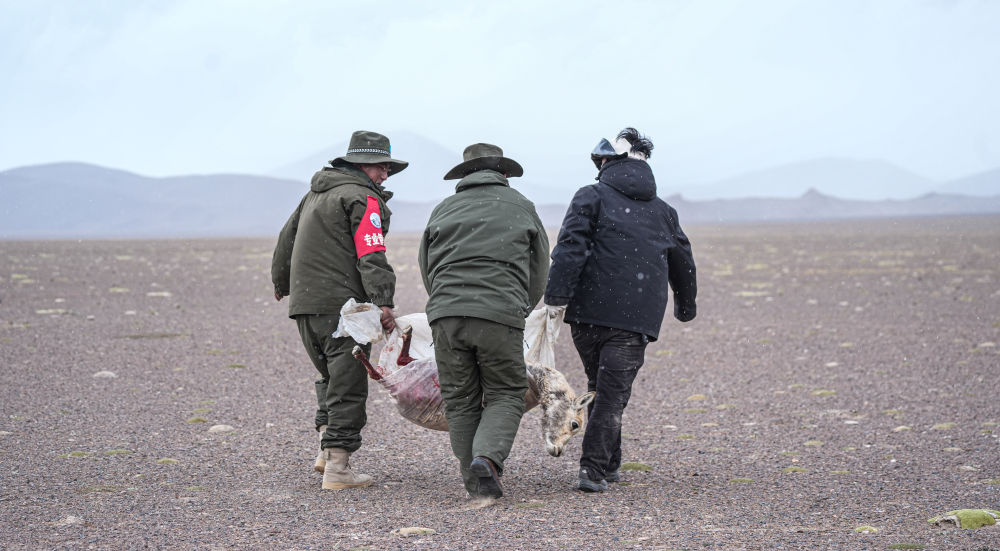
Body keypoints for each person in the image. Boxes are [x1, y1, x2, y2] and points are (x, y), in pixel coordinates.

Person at [544, 127, 697, 493]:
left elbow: (570, 248)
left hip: (587, 315)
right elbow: (683, 260)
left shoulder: (590, 197)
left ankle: (607, 465)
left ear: (606, 165)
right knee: (611, 394)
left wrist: (556, 298)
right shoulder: (664, 212)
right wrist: (685, 306)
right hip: (635, 320)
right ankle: (594, 470)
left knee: (603, 389)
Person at [271, 130, 406, 490]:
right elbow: (371, 252)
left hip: (306, 305)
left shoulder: (314, 194)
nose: (385, 175)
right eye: (381, 166)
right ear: (361, 164)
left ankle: (324, 453)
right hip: (343, 307)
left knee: (330, 376)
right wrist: (383, 301)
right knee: (348, 381)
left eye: (387, 168)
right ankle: (338, 470)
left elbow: (287, 238)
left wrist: (282, 283)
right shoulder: (362, 198)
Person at [418, 143, 550, 499]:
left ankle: (476, 486)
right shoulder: (521, 205)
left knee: (459, 398)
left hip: (445, 315)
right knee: (506, 392)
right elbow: (539, 267)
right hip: (499, 313)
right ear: (503, 174)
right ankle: (487, 459)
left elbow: (427, 265)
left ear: (465, 176)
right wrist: (521, 306)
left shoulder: (443, 209)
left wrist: (444, 303)